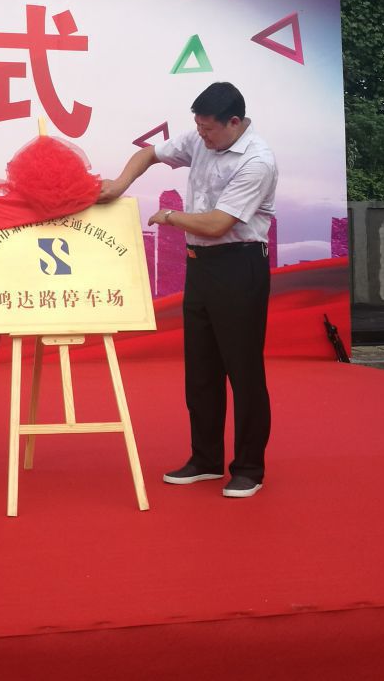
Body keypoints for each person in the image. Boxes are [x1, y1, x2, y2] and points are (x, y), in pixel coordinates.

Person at [100, 82, 278, 498]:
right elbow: (149, 154)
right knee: (201, 370)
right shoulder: (201, 137)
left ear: (234, 122)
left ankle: (249, 468)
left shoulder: (257, 161)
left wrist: (169, 216)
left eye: (208, 129)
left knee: (243, 371)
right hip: (201, 267)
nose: (201, 135)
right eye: (198, 126)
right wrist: (120, 184)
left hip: (239, 265)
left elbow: (217, 224)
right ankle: (205, 459)